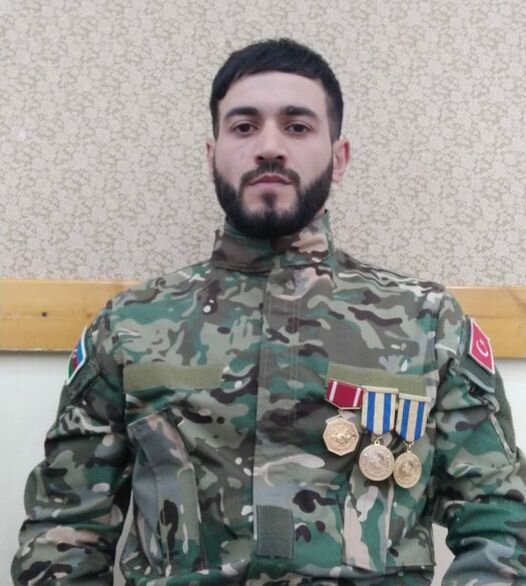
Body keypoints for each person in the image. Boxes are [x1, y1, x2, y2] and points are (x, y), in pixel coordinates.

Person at [12, 38, 526, 585]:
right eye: (244, 126)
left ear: (339, 157)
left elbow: (500, 520)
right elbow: (64, 530)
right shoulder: (131, 325)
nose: (270, 147)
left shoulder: (426, 322)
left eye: (297, 126)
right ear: (212, 155)